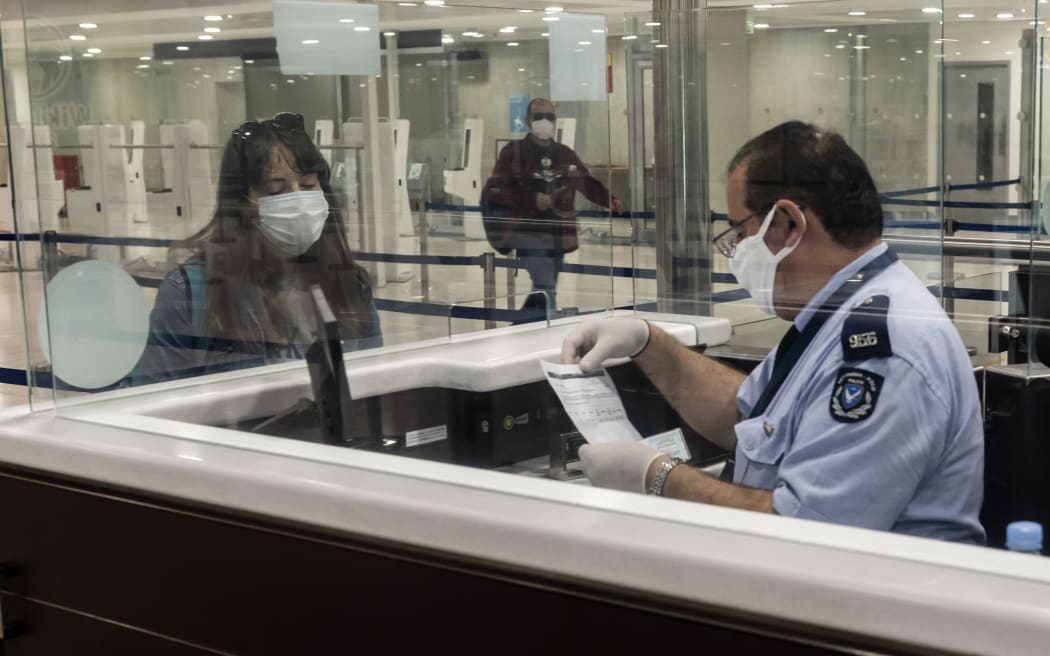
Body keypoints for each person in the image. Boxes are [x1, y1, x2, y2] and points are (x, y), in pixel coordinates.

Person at [561, 121, 985, 543]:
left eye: (740, 231)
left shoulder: (887, 351)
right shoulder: (836, 310)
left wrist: (657, 477)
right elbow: (747, 414)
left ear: (787, 223)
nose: (736, 250)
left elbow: (810, 535)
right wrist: (648, 343)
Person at [134, 112, 381, 383]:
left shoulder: (348, 284)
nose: (299, 201)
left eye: (309, 184)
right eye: (276, 190)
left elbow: (372, 385)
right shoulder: (192, 293)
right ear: (242, 203)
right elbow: (157, 402)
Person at [483, 98, 625, 313]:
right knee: (546, 286)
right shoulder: (514, 153)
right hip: (529, 232)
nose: (544, 121)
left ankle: (521, 329)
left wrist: (610, 200)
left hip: (558, 233)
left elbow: (585, 182)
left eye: (549, 117)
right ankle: (547, 331)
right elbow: (497, 190)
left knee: (543, 289)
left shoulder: (563, 153)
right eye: (539, 116)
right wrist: (531, 199)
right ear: (528, 120)